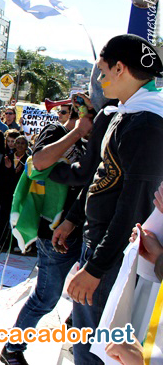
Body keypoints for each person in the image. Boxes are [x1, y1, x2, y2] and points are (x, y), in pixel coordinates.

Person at [63, 35, 163, 364]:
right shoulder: (124, 113)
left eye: (102, 70)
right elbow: (103, 175)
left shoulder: (147, 123)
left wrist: (95, 267)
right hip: (99, 244)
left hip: (112, 256)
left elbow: (134, 205)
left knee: (97, 350)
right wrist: (73, 218)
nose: (99, 79)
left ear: (120, 69)